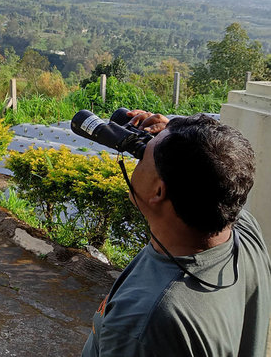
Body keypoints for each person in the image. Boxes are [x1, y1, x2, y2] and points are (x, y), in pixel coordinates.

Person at [81, 111, 271, 356]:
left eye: (142, 158)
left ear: (158, 192)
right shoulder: (244, 232)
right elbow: (218, 172)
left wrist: (175, 141)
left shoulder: (144, 323)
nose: (137, 160)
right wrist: (183, 135)